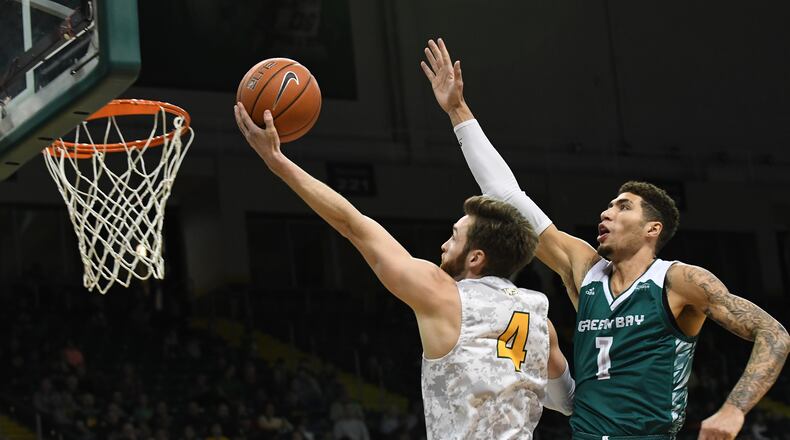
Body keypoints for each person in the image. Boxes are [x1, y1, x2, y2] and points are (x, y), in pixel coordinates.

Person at [421, 37, 790, 440]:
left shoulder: (678, 281)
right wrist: (458, 110)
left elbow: (774, 334)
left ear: (653, 229)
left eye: (622, 207)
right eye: (609, 205)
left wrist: (734, 410)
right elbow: (509, 196)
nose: (606, 212)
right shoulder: (585, 270)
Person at [233, 103, 575, 439]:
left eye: (454, 237)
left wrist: (277, 162)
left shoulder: (443, 294)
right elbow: (566, 401)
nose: (444, 245)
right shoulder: (539, 318)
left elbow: (353, 225)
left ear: (476, 258)